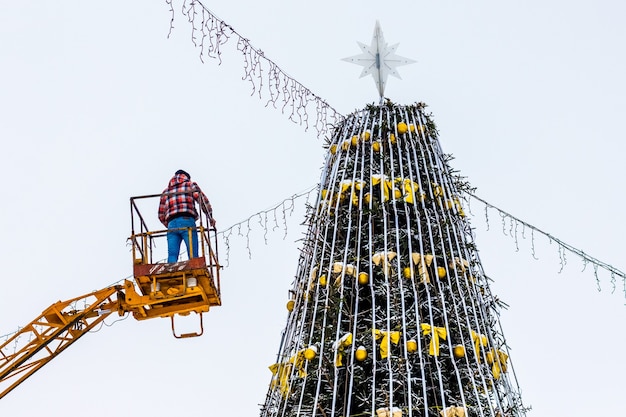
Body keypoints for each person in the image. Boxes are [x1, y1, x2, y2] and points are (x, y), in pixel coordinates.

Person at [158, 169, 216, 263]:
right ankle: (193, 272)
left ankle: (171, 270)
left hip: (171, 224)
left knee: (172, 255)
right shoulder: (189, 185)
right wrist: (210, 216)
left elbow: (161, 215)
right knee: (193, 255)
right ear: (186, 177)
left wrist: (169, 225)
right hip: (187, 220)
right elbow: (202, 200)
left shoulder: (166, 192)